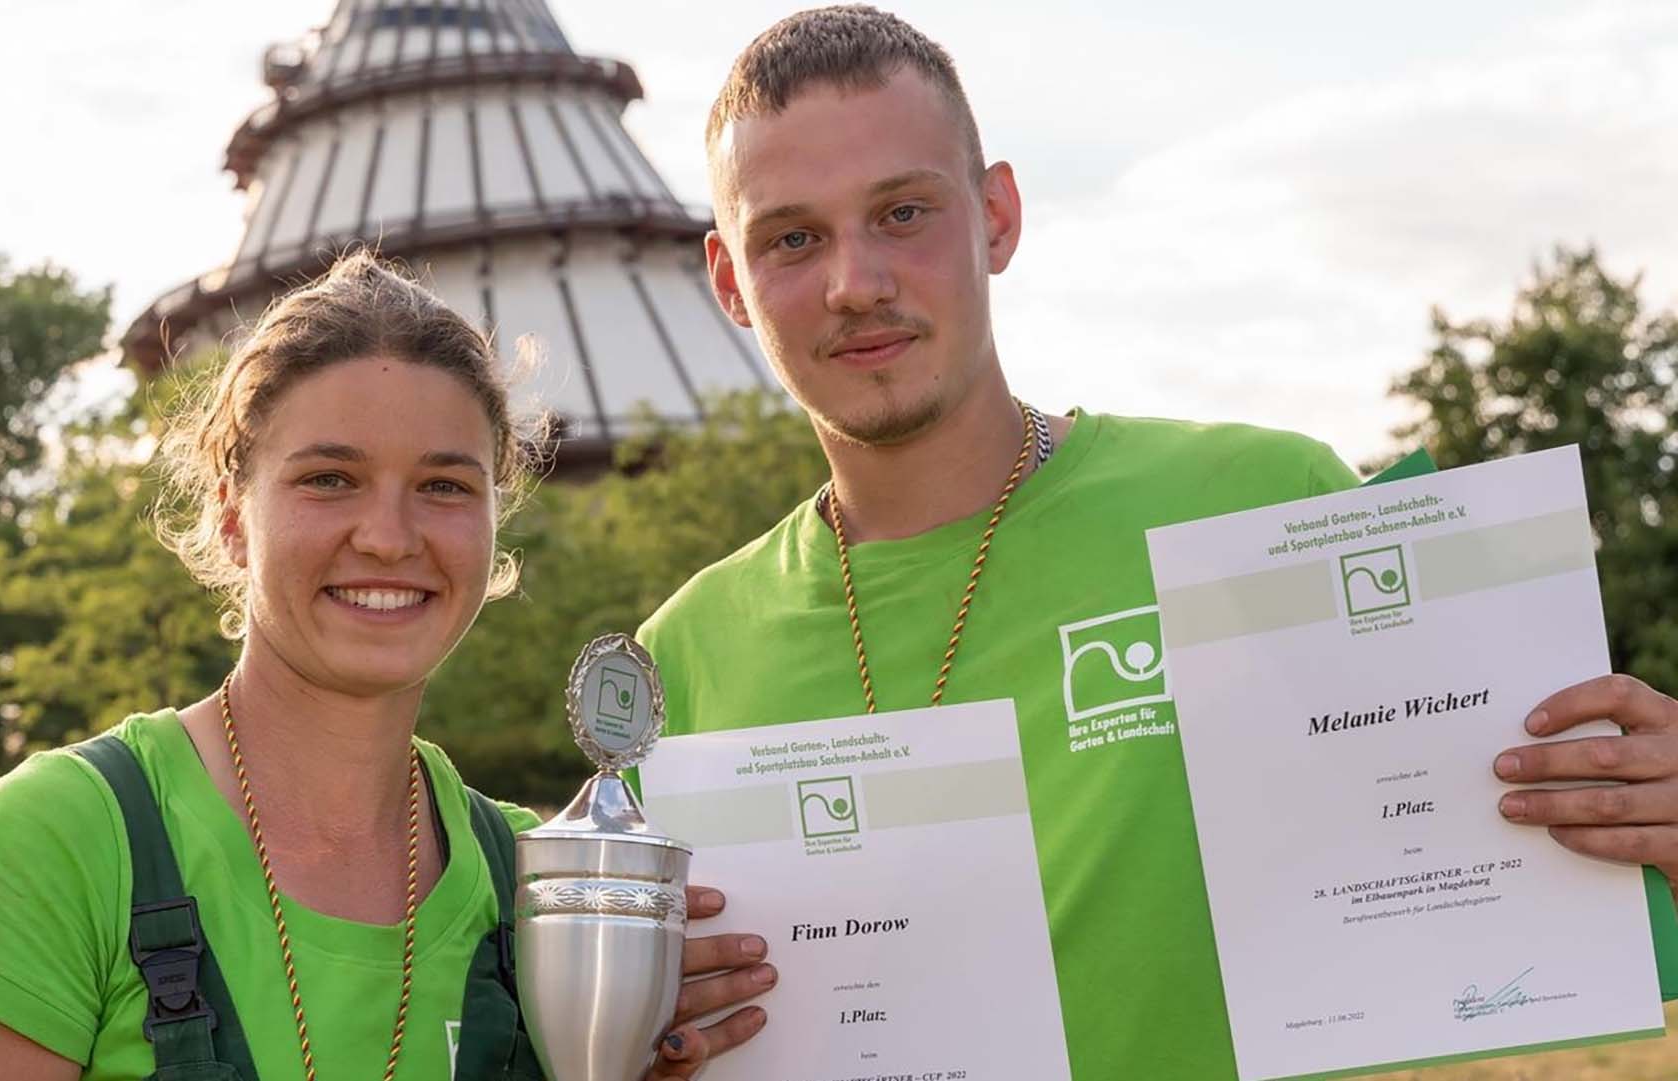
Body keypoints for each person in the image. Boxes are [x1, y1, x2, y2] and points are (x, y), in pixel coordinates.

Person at [636, 6, 1678, 1079]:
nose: (855, 281)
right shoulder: (682, 660)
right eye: (793, 238)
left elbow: (1512, 882)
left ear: (996, 217)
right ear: (729, 282)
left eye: (904, 211)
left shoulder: (1264, 505)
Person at [0, 251, 772, 1081]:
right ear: (232, 516)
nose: (388, 536)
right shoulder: (67, 839)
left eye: (445, 486)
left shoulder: (528, 884)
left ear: (496, 525)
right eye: (329, 479)